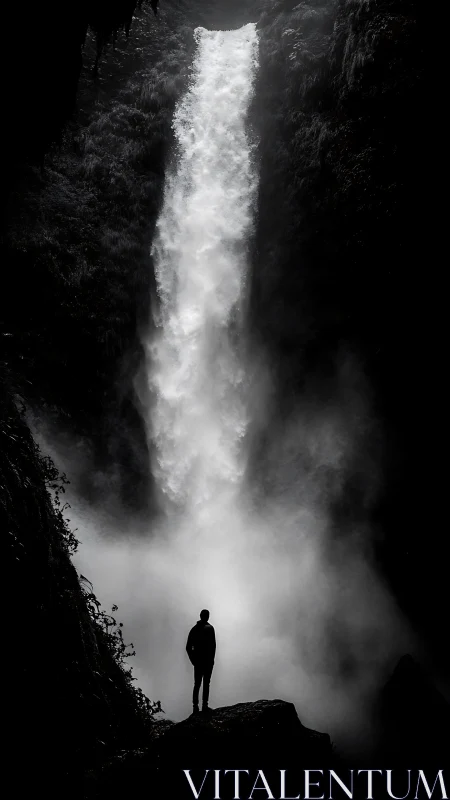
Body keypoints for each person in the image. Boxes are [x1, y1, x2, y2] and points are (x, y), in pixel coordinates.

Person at [186, 609, 216, 714]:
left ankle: (197, 707)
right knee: (204, 683)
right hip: (206, 661)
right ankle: (203, 706)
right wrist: (211, 659)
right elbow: (213, 646)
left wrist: (193, 660)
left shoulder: (194, 629)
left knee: (198, 683)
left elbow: (188, 647)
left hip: (200, 661)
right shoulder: (209, 628)